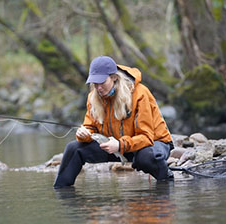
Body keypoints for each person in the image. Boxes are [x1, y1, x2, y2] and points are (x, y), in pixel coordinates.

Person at [54, 56, 173, 188]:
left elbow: (146, 137)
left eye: (102, 82)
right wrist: (84, 134)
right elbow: (90, 127)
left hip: (152, 142)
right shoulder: (93, 97)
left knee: (146, 157)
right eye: (95, 83)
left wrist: (120, 145)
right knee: (73, 148)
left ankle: (166, 181)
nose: (98, 88)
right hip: (116, 146)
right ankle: (61, 191)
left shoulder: (140, 94)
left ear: (114, 77)